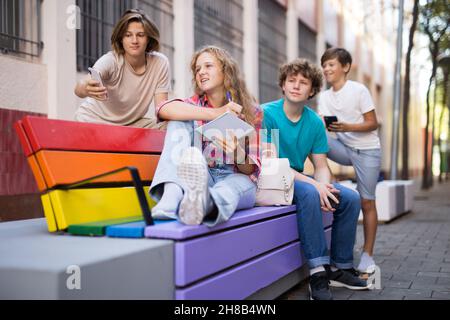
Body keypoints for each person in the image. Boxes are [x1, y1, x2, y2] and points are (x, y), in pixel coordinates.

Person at [261, 58, 372, 300]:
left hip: (298, 179)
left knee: (350, 198)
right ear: (283, 84)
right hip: (269, 179)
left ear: (311, 90)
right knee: (311, 192)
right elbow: (269, 165)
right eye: (292, 80)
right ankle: (318, 271)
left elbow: (321, 165)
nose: (296, 86)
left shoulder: (313, 121)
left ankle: (341, 266)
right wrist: (315, 185)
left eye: (303, 82)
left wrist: (324, 185)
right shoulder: (266, 114)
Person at [148, 45, 263, 227]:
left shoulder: (252, 111)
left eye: (208, 66)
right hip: (203, 174)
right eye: (197, 69)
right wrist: (217, 113)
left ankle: (203, 204)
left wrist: (238, 153)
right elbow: (163, 109)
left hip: (236, 177)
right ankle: (172, 195)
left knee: (229, 189)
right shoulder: (194, 104)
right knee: (179, 119)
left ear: (225, 71)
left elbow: (251, 170)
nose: (201, 72)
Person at [319, 48, 381, 274]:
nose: (326, 69)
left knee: (367, 202)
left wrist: (347, 126)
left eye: (331, 64)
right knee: (313, 134)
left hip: (367, 150)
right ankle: (327, 180)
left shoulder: (359, 90)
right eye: (324, 65)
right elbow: (323, 128)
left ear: (345, 67)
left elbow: (373, 123)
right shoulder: (325, 96)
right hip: (344, 148)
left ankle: (367, 254)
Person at [74, 9, 170, 129]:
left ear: (149, 39)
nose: (134, 41)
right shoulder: (111, 60)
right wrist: (85, 87)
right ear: (121, 39)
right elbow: (80, 87)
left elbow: (161, 110)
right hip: (95, 120)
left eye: (140, 35)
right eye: (128, 35)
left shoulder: (160, 63)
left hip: (132, 124)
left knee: (169, 126)